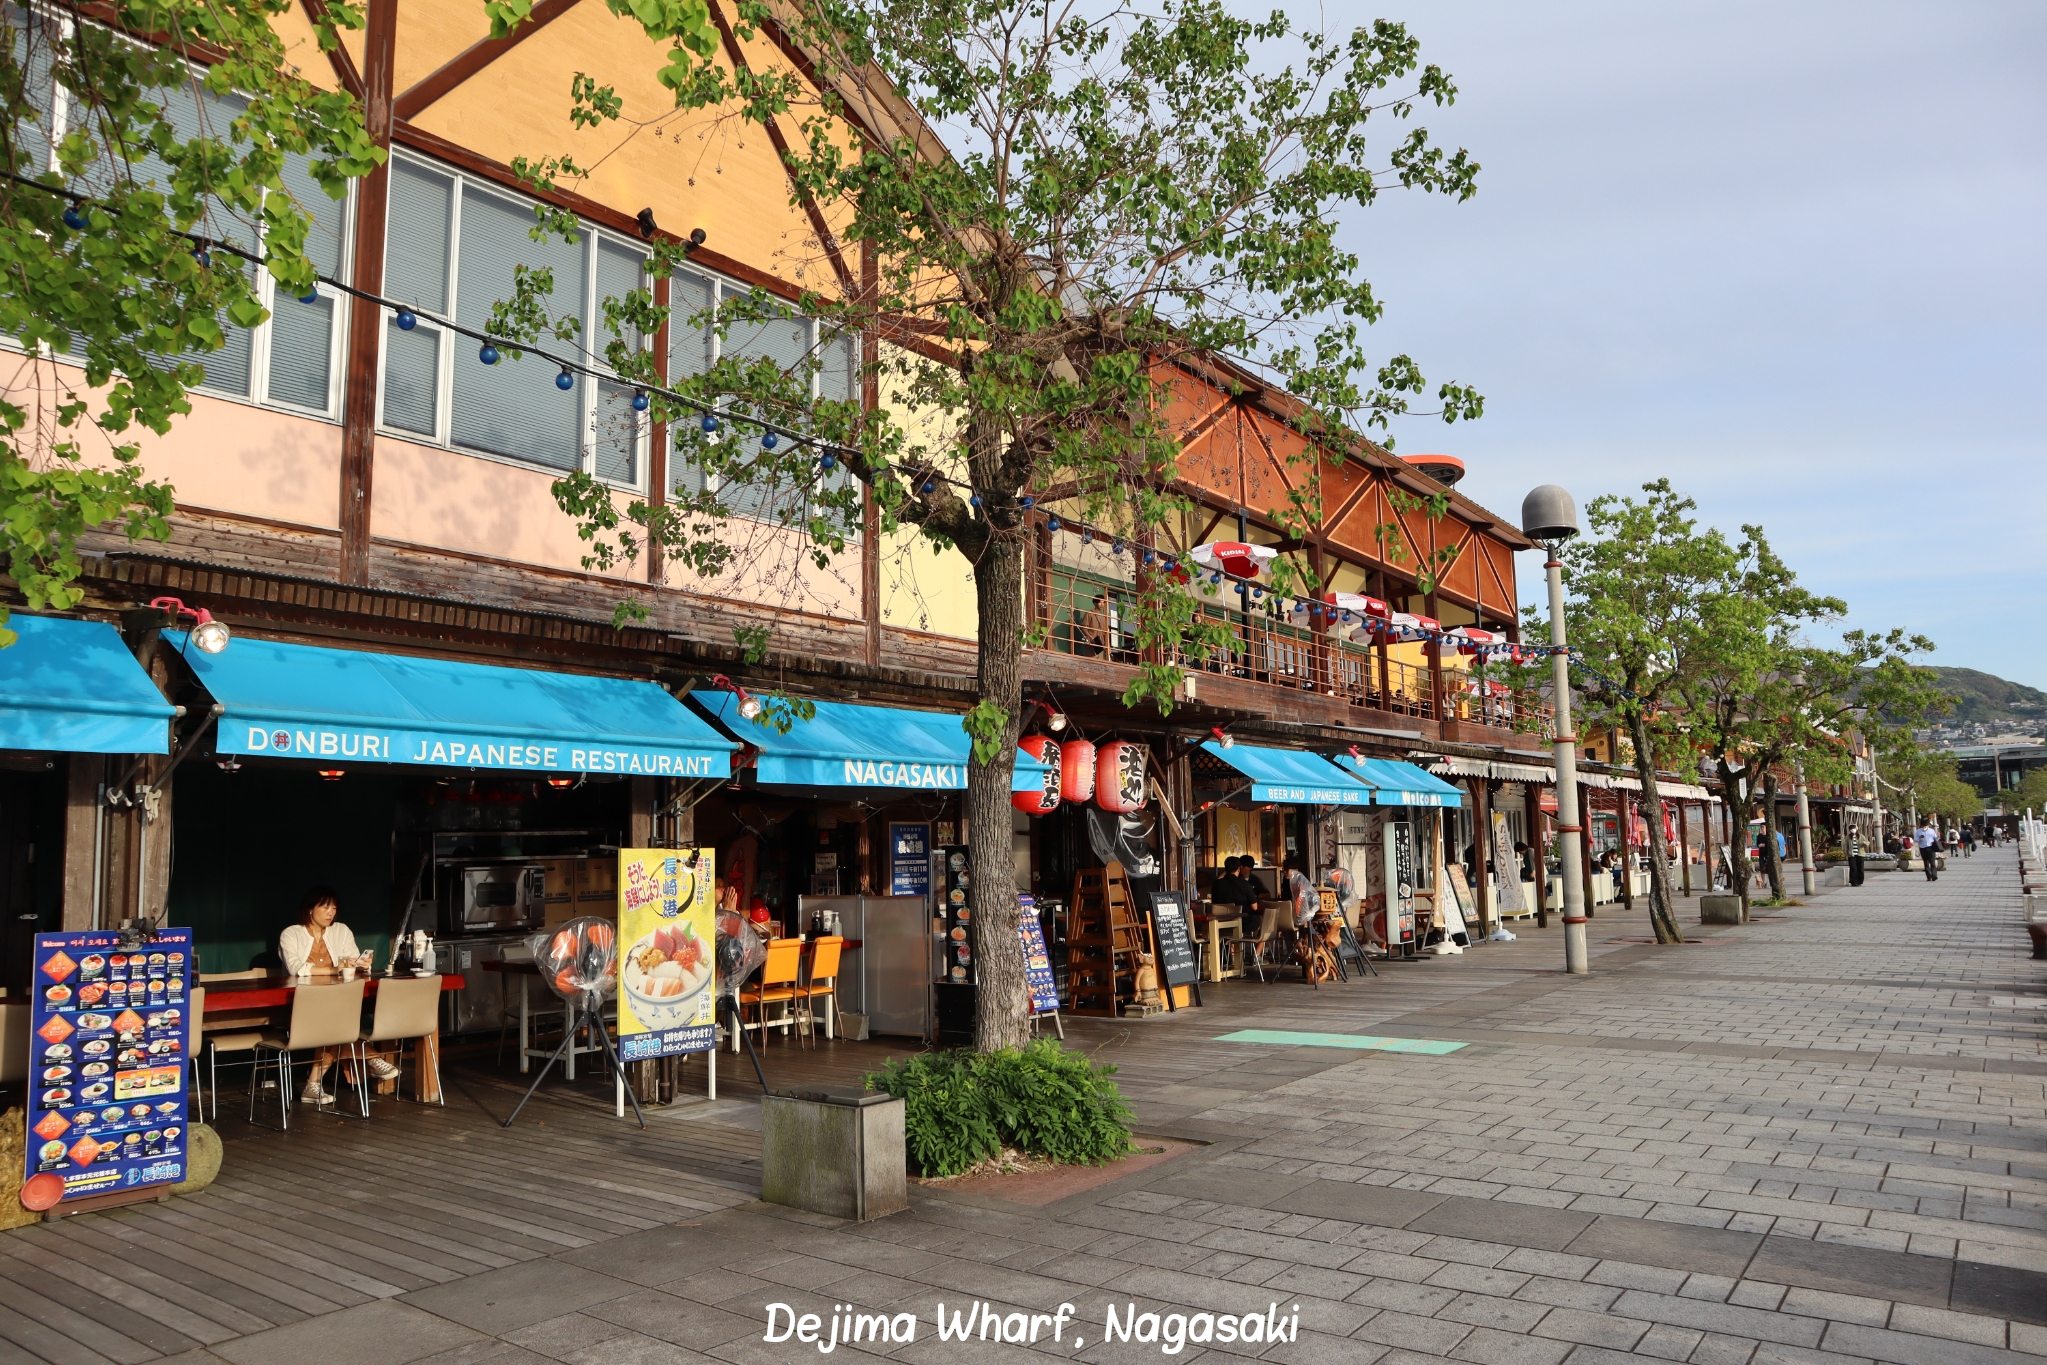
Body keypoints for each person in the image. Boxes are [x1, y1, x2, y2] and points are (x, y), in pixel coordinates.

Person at [278, 887, 400, 1103]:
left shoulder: (341, 930)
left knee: (334, 1023)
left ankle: (312, 1086)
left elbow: (352, 961)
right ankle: (371, 1056)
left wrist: (361, 964)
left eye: (334, 908)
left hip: (336, 1000)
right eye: (325, 907)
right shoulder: (291, 934)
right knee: (336, 1023)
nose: (331, 912)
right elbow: (296, 968)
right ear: (309, 910)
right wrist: (335, 969)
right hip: (303, 1002)